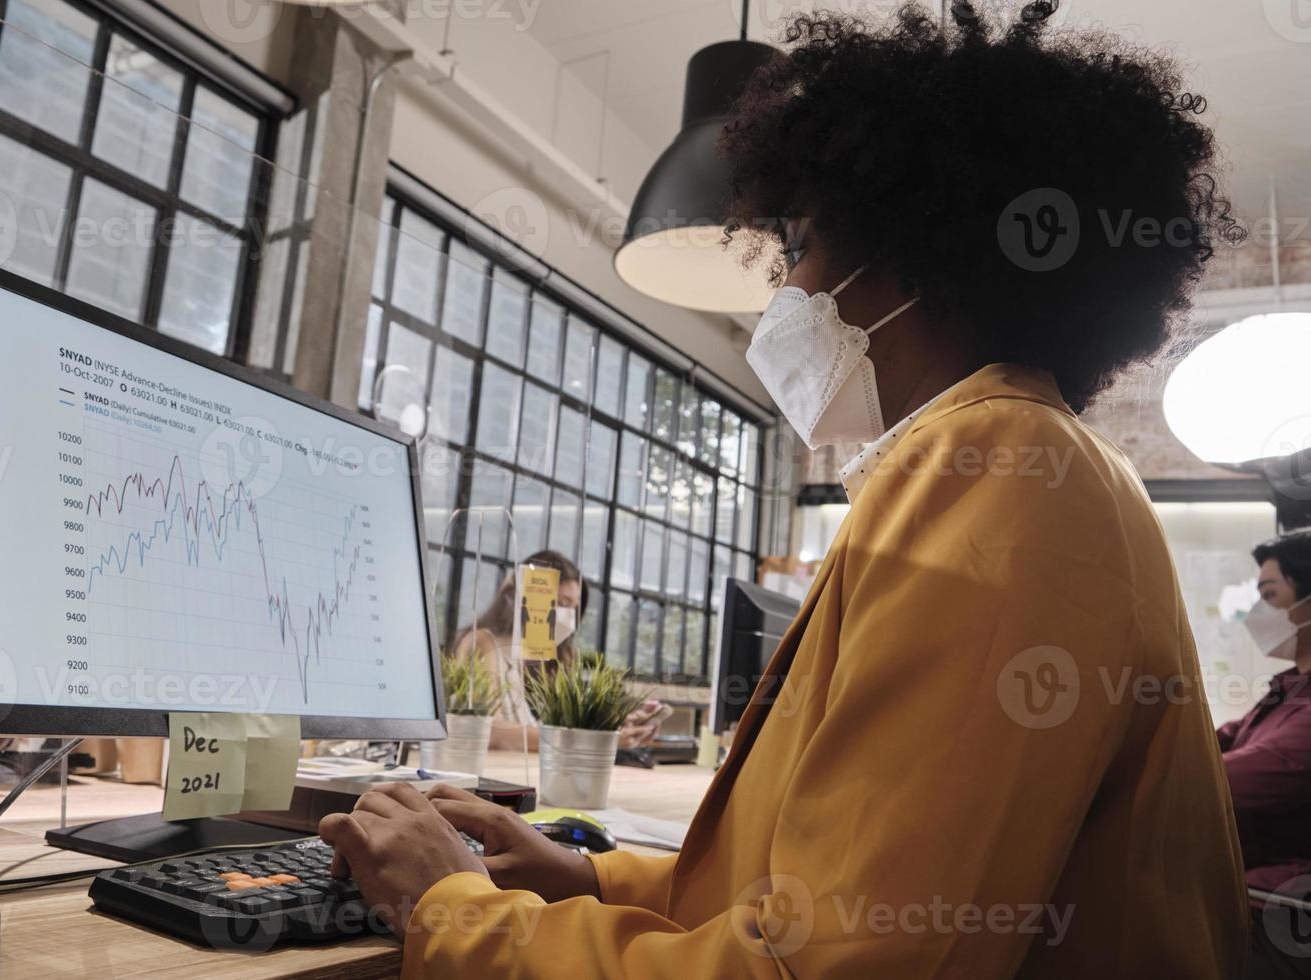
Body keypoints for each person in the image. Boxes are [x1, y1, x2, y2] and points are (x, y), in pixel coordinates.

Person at [320, 5, 1247, 975]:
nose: (785, 289)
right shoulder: (1018, 461)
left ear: (913, 255)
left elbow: (821, 966)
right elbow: (827, 888)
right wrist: (588, 876)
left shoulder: (995, 475)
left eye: (801, 243)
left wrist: (453, 906)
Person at [449, 549, 665, 752]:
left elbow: (562, 726)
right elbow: (490, 731)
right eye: (560, 603)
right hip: (501, 771)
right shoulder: (484, 643)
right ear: (522, 597)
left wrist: (613, 726)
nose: (568, 614)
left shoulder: (558, 656)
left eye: (573, 606)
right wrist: (592, 743)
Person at [1219, 530, 1311, 977]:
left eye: (1270, 594)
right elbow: (1219, 741)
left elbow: (1236, 782)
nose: (1258, 612)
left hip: (1287, 913)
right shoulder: (1289, 688)